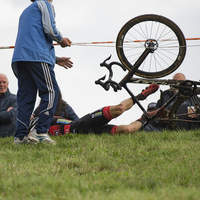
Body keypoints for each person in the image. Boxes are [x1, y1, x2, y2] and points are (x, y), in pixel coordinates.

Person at [12, 0, 73, 145]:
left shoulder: (26, 11)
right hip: (37, 57)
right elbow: (49, 29)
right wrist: (61, 39)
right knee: (51, 91)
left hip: (21, 58)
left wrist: (56, 59)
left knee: (26, 98)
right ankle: (40, 132)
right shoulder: (44, 4)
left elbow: (33, 38)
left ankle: (20, 137)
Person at [45, 84, 162, 136]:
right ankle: (146, 117)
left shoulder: (42, 120)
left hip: (84, 123)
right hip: (94, 134)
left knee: (119, 109)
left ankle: (142, 95)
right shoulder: (38, 137)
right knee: (128, 129)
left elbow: (75, 120)